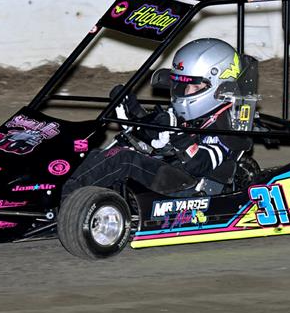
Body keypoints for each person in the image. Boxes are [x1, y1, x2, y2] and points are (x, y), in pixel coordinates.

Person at [63, 38, 254, 198]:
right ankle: (58, 190)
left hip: (188, 185)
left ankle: (66, 198)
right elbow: (159, 135)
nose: (187, 92)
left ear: (220, 86)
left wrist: (179, 137)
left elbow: (201, 163)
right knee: (95, 154)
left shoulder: (226, 125)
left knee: (124, 159)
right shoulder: (192, 115)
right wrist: (136, 116)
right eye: (183, 85)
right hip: (165, 169)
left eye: (195, 87)